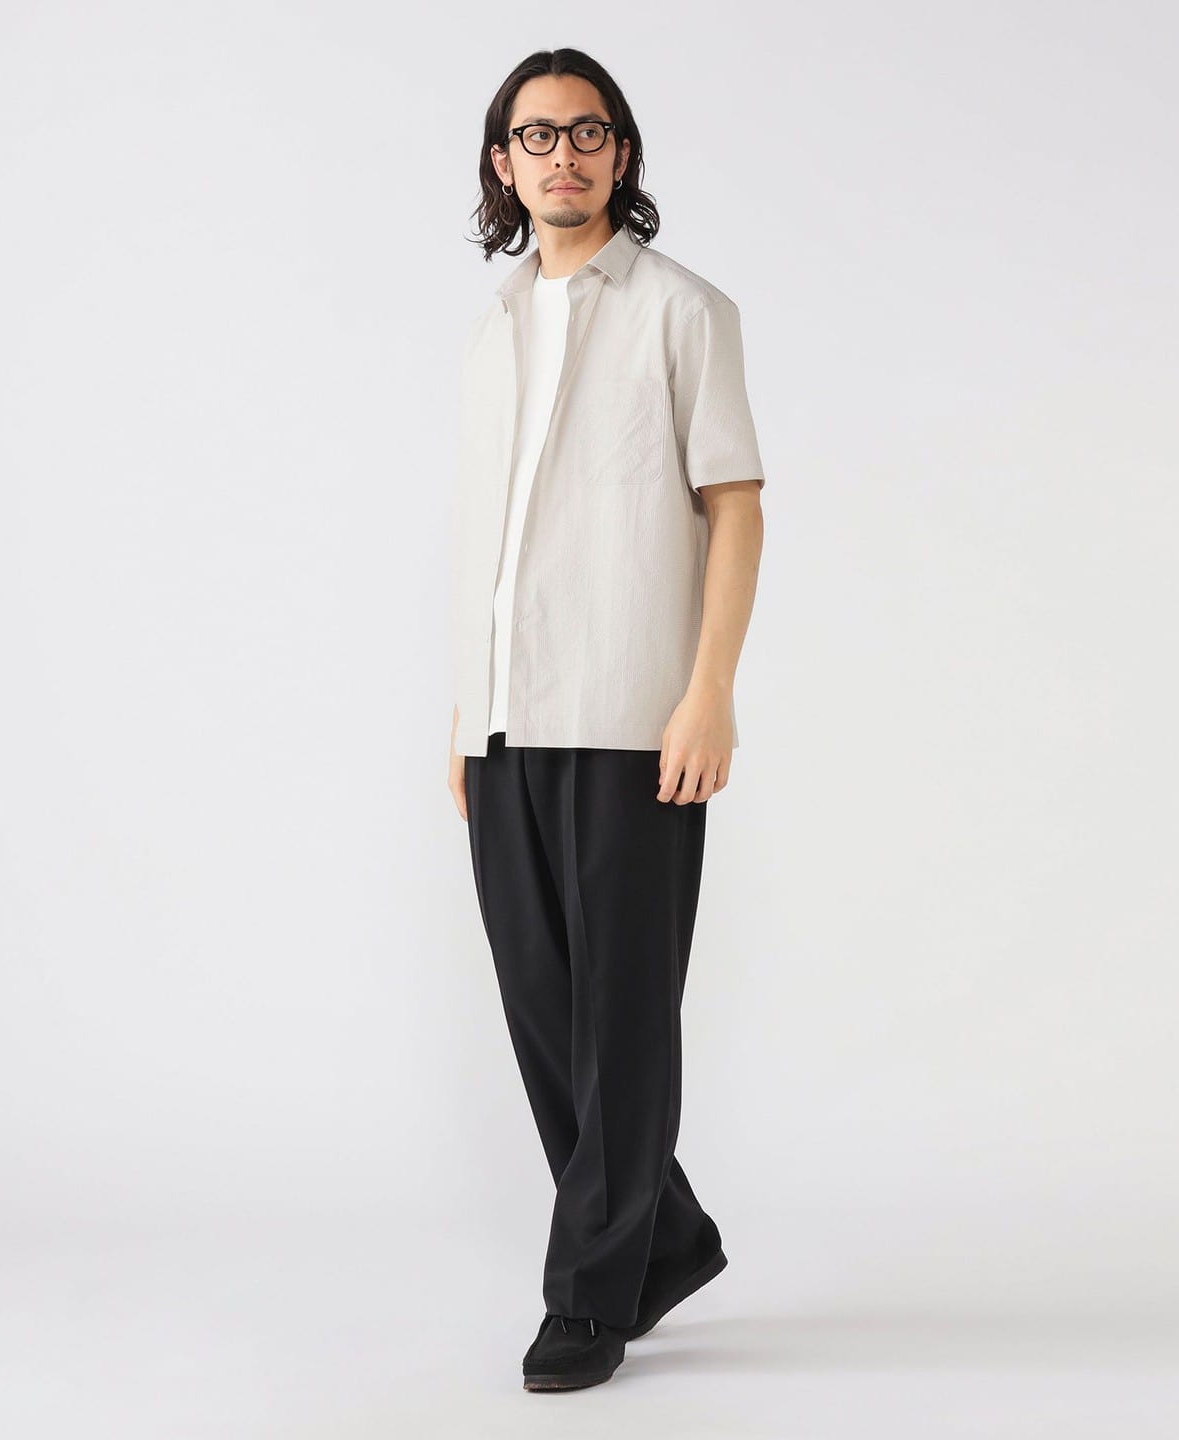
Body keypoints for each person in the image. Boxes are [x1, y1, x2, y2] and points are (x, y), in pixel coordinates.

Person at [446, 48, 766, 1393]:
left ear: (620, 155)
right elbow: (494, 542)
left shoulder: (685, 311)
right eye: (537, 135)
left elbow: (733, 504)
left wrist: (710, 692)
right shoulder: (493, 329)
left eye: (587, 132)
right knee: (542, 1007)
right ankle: (667, 1236)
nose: (562, 155)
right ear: (504, 164)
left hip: (638, 715)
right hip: (504, 721)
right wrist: (463, 713)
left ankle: (589, 1294)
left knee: (622, 1015)